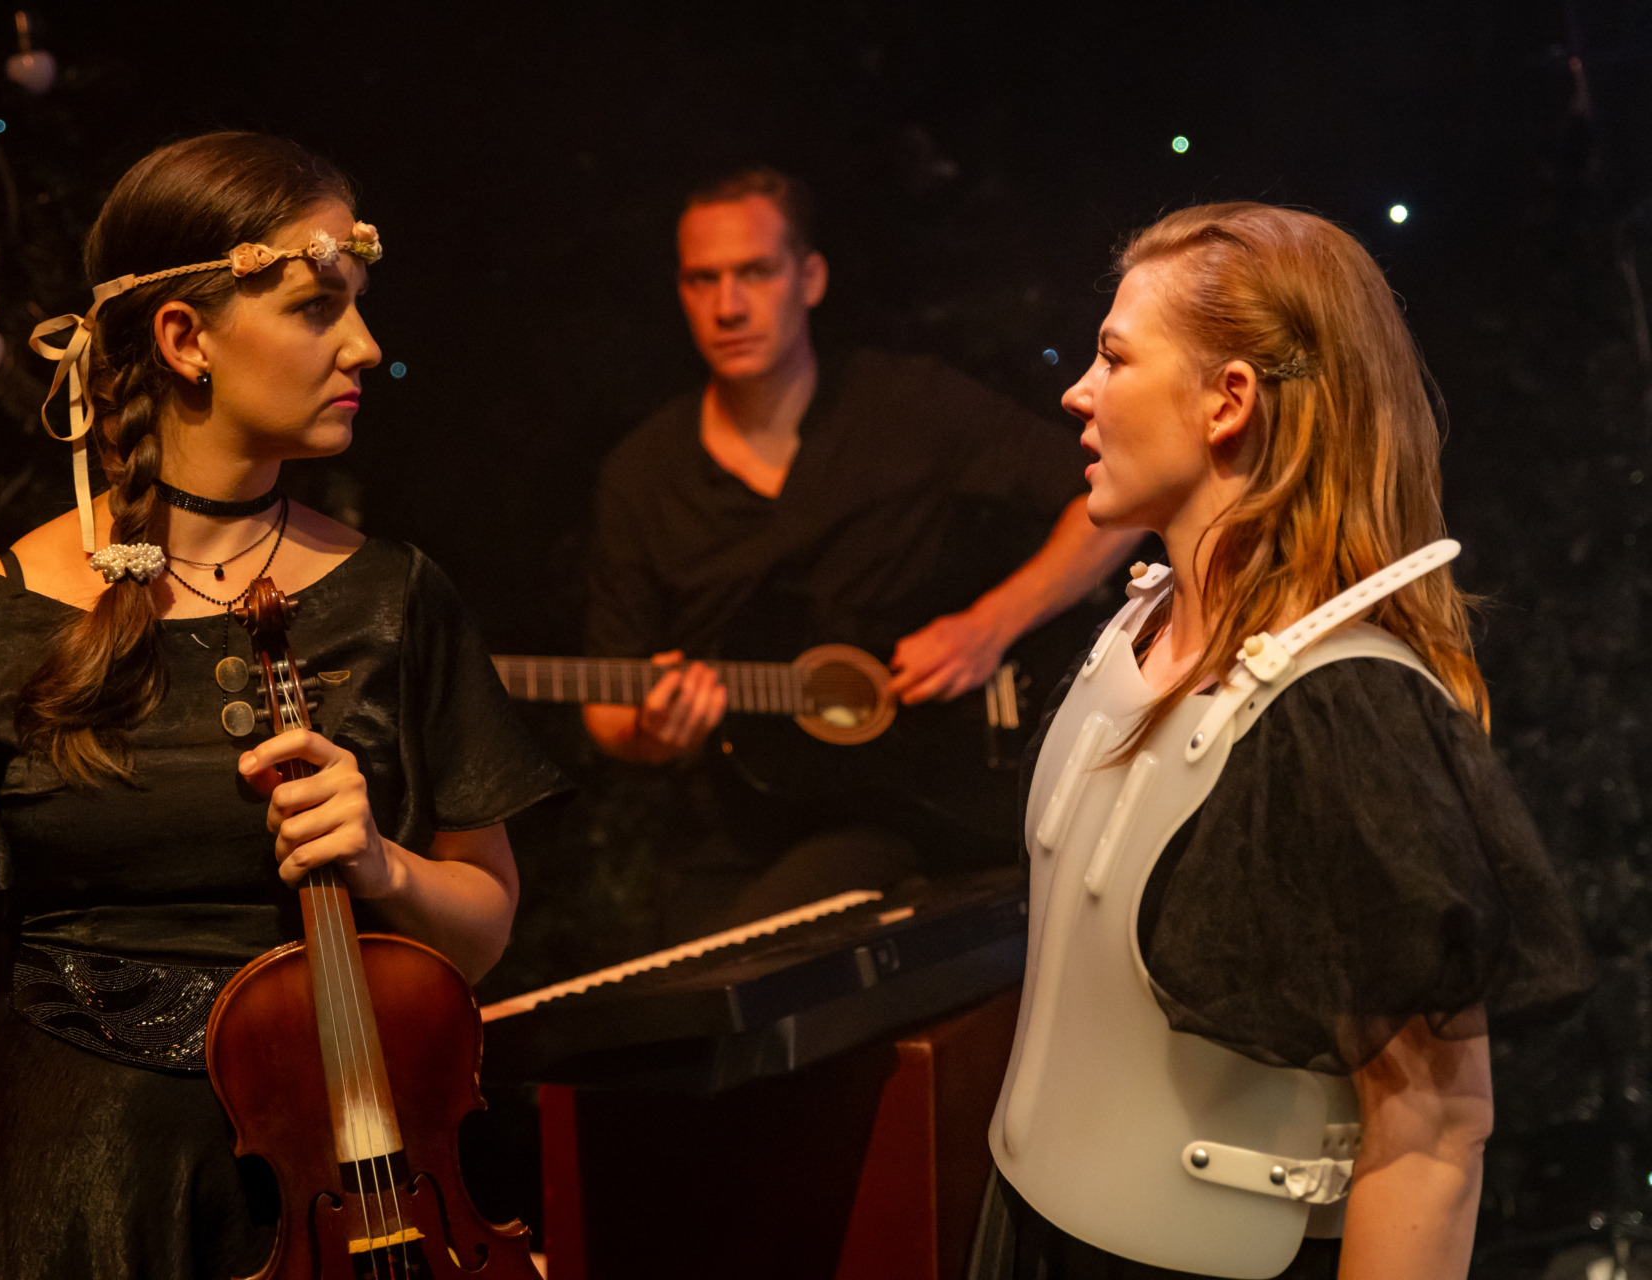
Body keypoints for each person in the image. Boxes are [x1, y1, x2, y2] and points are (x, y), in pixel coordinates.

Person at [0, 132, 567, 1280]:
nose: (365, 345)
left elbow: (479, 932)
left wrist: (382, 864)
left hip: (345, 1199)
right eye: (318, 307)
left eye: (357, 305)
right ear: (187, 339)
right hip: (81, 1203)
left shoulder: (396, 596)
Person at [972, 202, 1595, 1279]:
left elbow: (1435, 1135)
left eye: (1114, 357)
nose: (1079, 390)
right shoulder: (1136, 627)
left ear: (1228, 400)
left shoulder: (1343, 710)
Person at [582, 168, 1140, 936]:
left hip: (928, 797)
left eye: (755, 272)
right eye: (702, 280)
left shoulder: (905, 404)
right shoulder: (642, 476)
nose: (729, 305)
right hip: (739, 829)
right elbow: (608, 702)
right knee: (699, 989)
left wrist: (989, 624)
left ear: (809, 278)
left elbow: (1115, 502)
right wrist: (650, 734)